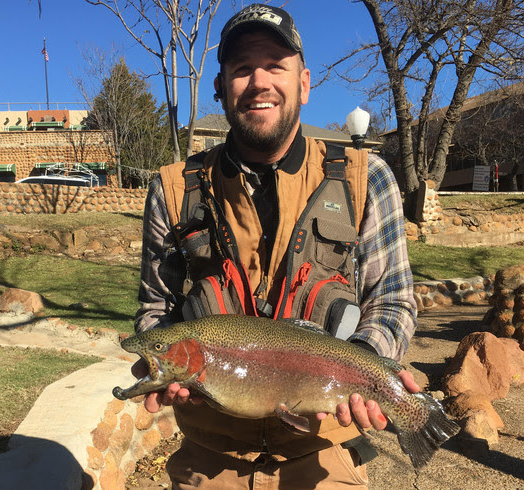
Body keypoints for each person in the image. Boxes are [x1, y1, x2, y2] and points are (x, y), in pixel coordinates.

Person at [133, 3, 418, 488]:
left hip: (324, 453)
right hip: (208, 457)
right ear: (221, 87)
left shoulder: (366, 178)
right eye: (242, 69)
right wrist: (168, 368)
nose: (259, 81)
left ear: (304, 82)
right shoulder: (172, 188)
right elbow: (153, 309)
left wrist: (360, 370)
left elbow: (392, 300)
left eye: (275, 66)